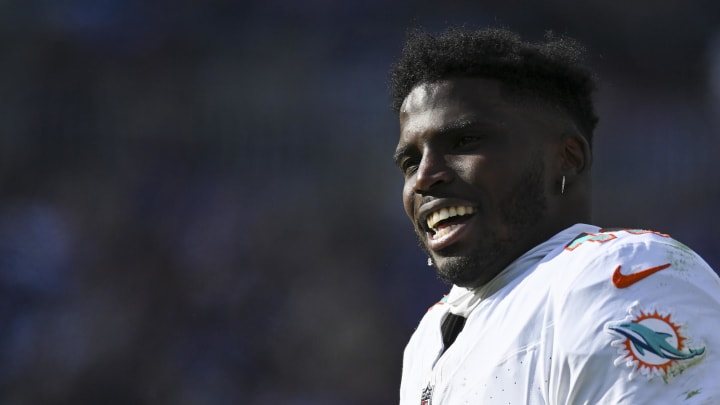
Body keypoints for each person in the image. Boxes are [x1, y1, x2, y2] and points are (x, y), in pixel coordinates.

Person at [389, 26, 720, 404]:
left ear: (567, 159)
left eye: (464, 141)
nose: (425, 177)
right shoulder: (427, 339)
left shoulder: (621, 275)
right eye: (410, 162)